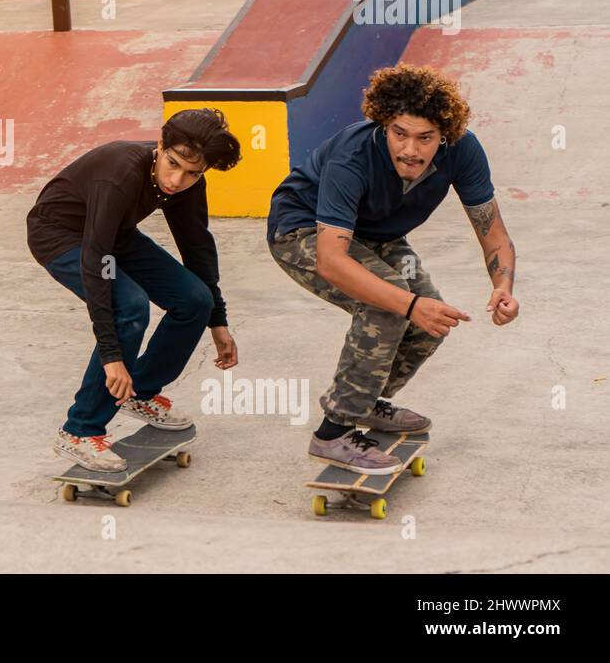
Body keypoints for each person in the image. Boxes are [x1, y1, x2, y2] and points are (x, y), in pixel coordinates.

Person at [267, 65, 519, 475]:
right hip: (305, 230)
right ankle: (332, 434)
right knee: (388, 309)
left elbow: (494, 233)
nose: (410, 150)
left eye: (426, 138)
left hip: (376, 233)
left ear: (446, 136)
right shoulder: (352, 156)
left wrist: (503, 287)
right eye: (399, 133)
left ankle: (366, 405)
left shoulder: (464, 150)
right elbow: (332, 261)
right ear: (384, 124)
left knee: (428, 320)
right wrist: (408, 303)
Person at [27, 109, 242, 472]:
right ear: (160, 145)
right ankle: (80, 430)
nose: (177, 180)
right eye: (172, 164)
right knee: (130, 306)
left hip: (116, 234)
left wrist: (217, 320)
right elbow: (95, 259)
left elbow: (197, 248)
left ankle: (141, 392)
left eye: (193, 173)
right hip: (61, 235)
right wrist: (112, 355)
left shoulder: (188, 184)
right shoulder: (121, 172)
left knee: (194, 300)